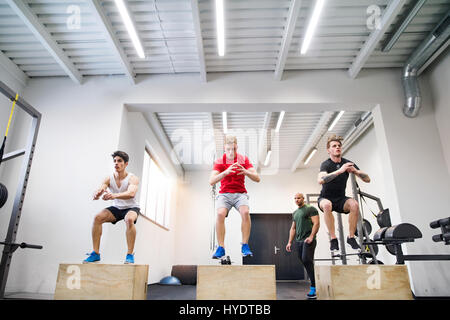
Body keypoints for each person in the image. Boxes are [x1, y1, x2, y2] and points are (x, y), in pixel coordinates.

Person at [83, 151, 140, 264]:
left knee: (129, 220)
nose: (116, 163)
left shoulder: (132, 178)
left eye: (119, 161)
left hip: (131, 207)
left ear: (126, 164)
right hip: (116, 208)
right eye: (114, 161)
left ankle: (130, 254)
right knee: (97, 218)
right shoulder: (109, 178)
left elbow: (131, 194)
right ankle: (95, 253)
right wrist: (97, 194)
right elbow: (102, 188)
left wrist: (114, 195)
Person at [209, 135, 260, 259]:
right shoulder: (220, 161)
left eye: (234, 149)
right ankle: (221, 247)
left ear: (237, 147)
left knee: (245, 212)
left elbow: (257, 178)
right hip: (224, 194)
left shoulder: (243, 159)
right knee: (220, 214)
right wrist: (225, 172)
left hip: (240, 193)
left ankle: (245, 245)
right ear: (224, 149)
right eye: (228, 149)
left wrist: (246, 171)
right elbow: (211, 181)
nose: (231, 152)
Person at [317, 135, 370, 251]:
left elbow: (367, 179)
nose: (337, 148)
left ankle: (351, 237)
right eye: (334, 146)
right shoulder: (326, 164)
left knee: (354, 205)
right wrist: (340, 171)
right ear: (328, 150)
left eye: (339, 146)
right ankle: (333, 239)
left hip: (340, 199)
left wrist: (355, 171)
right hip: (325, 198)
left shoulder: (348, 163)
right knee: (327, 205)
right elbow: (320, 180)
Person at [286, 193, 320, 300]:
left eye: (298, 198)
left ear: (303, 199)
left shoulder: (310, 209)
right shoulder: (295, 213)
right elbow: (293, 228)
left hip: (308, 240)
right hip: (299, 241)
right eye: (295, 198)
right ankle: (315, 282)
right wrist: (289, 242)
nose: (297, 200)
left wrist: (311, 236)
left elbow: (316, 223)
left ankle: (314, 287)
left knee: (306, 260)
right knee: (304, 261)